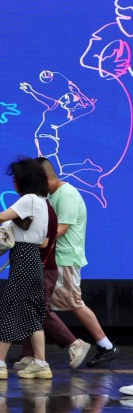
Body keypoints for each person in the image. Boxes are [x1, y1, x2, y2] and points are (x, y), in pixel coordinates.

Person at [9, 157, 92, 372]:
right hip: (40, 262)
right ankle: (30, 356)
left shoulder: (52, 199)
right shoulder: (45, 199)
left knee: (40, 308)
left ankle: (76, 344)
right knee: (31, 307)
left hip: (49, 262)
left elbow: (51, 234)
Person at [0, 158, 52, 379]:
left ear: (23, 181)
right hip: (32, 259)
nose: (13, 183)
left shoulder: (28, 200)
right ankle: (41, 363)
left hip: (24, 260)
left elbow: (0, 217)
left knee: (9, 307)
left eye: (15, 179)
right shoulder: (42, 202)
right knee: (31, 313)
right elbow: (43, 241)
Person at [40, 158, 119, 368]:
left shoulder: (66, 195)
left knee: (72, 302)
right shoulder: (53, 193)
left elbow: (61, 228)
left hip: (64, 258)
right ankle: (30, 355)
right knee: (38, 305)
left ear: (48, 177)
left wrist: (34, 241)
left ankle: (106, 345)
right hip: (54, 258)